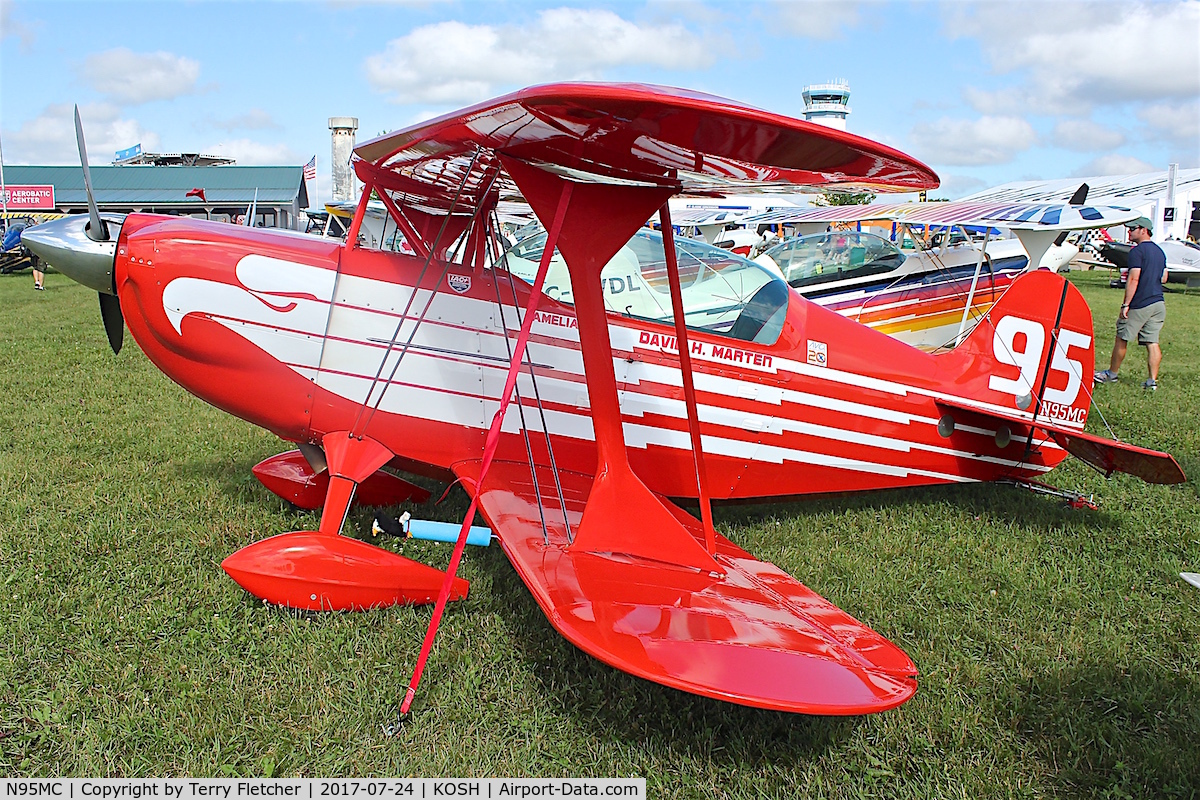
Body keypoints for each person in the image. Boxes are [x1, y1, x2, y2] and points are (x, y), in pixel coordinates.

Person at [1094, 217, 1168, 390]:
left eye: (1133, 228)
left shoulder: (1137, 252)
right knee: (1152, 342)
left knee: (1122, 338)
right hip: (1159, 303)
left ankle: (1111, 374)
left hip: (1141, 303)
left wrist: (1126, 304)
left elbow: (1133, 278)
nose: (1129, 232)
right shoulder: (1160, 252)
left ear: (1144, 230)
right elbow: (1164, 277)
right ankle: (1152, 382)